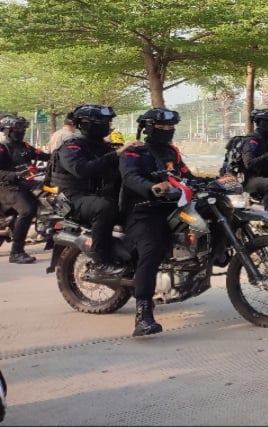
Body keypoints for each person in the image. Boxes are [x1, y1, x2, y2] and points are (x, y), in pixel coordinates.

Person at [120, 107, 192, 336]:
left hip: (171, 208)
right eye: (162, 127)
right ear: (149, 128)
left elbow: (186, 175)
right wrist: (152, 188)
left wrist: (218, 180)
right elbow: (130, 177)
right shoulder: (135, 152)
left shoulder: (172, 152)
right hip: (143, 210)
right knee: (151, 250)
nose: (167, 131)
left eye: (171, 127)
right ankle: (143, 314)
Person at [50, 105, 139, 278]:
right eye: (101, 122)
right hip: (75, 198)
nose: (106, 125)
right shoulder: (71, 148)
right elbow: (82, 170)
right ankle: (100, 262)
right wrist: (118, 154)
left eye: (108, 121)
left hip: (102, 194)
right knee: (104, 207)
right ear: (84, 124)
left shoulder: (105, 147)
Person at [0, 115, 49, 264]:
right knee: (28, 209)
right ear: (7, 130)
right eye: (17, 128)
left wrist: (62, 155)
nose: (21, 131)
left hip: (23, 184)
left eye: (23, 128)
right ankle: (16, 251)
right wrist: (15, 174)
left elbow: (45, 156)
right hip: (6, 187)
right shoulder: (2, 148)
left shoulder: (25, 146)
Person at [241, 109, 268, 214]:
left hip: (262, 176)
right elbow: (249, 163)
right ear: (263, 122)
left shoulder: (266, 139)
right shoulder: (252, 140)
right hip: (249, 179)